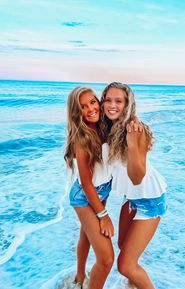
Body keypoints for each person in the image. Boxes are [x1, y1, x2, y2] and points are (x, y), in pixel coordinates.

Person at [100, 82, 167, 289]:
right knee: (122, 246)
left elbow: (137, 177)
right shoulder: (109, 127)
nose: (112, 105)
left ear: (127, 104)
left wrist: (131, 144)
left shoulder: (137, 130)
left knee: (126, 265)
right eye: (108, 100)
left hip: (150, 199)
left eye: (118, 101)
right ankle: (134, 285)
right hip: (131, 198)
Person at [64, 86, 114, 289]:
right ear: (77, 112)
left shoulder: (105, 127)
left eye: (93, 102)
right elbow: (86, 183)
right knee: (106, 259)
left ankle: (78, 279)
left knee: (85, 235)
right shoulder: (82, 138)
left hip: (102, 190)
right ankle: (82, 281)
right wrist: (103, 215)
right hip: (85, 196)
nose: (90, 109)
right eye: (83, 107)